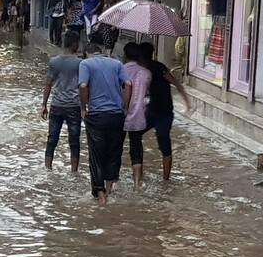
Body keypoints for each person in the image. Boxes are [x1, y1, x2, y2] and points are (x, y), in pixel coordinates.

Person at [79, 42, 132, 204]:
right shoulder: (116, 63)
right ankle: (109, 190)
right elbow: (128, 84)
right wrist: (125, 108)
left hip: (97, 116)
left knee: (96, 155)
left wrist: (83, 108)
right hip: (117, 116)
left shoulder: (85, 64)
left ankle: (100, 193)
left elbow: (83, 85)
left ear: (87, 53)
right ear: (100, 52)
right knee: (114, 152)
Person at [138, 42, 191, 182]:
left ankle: (164, 179)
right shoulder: (147, 69)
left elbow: (176, 84)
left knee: (163, 142)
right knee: (138, 135)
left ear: (141, 56)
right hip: (154, 110)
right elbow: (177, 84)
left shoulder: (157, 68)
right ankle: (143, 174)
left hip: (163, 112)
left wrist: (187, 103)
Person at [41, 30, 82, 173]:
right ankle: (74, 171)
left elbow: (48, 83)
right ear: (75, 44)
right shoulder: (80, 63)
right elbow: (84, 86)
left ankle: (48, 168)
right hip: (74, 105)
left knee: (52, 138)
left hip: (56, 105)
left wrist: (43, 104)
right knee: (74, 140)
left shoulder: (54, 61)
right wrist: (85, 107)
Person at [122, 43, 152, 193]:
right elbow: (147, 94)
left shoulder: (120, 70)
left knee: (116, 148)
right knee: (136, 149)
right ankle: (136, 186)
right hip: (139, 116)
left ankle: (110, 185)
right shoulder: (146, 73)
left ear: (125, 55)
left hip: (120, 115)